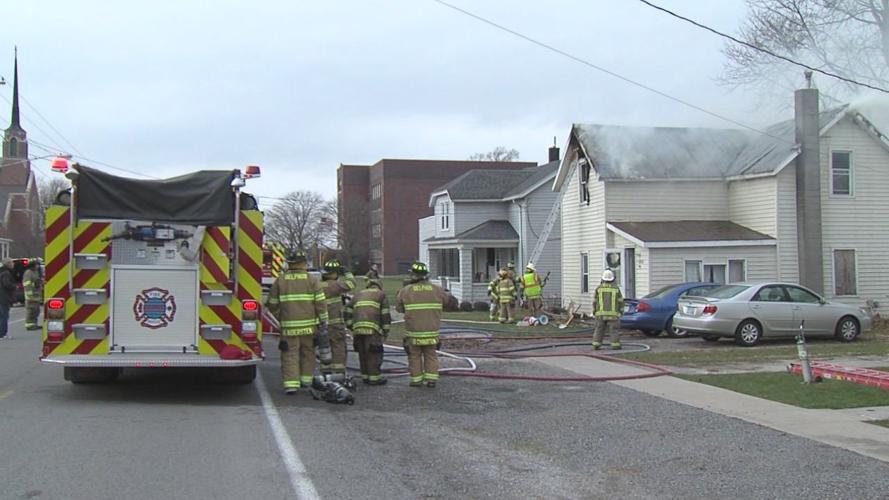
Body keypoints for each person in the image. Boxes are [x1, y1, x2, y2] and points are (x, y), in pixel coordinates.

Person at [266, 250, 328, 394]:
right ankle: (306, 381)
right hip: (309, 328)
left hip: (288, 328)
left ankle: (291, 385)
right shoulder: (312, 279)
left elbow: (272, 304)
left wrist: (280, 317)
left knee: (290, 355)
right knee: (308, 353)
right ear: (303, 263)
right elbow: (320, 303)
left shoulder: (281, 280)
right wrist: (323, 321)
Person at [395, 261, 449, 388]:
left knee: (414, 356)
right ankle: (431, 380)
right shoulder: (437, 289)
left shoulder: (405, 291)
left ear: (413, 275)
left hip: (413, 332)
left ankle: (416, 380)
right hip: (432, 331)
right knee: (431, 355)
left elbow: (399, 309)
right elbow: (447, 301)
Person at [345, 278, 391, 385]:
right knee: (374, 353)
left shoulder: (358, 294)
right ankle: (374, 378)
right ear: (379, 286)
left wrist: (350, 325)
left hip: (357, 329)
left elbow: (347, 308)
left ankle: (365, 376)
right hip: (372, 329)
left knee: (363, 353)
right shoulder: (381, 295)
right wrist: (385, 331)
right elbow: (385, 315)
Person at [320, 259, 356, 377]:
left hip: (321, 324)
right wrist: (347, 273)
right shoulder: (335, 285)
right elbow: (352, 283)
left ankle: (325, 372)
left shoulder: (317, 285)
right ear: (334, 273)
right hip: (335, 325)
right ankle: (339, 373)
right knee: (338, 347)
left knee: (325, 349)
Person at [592, 269, 624, 350]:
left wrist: (594, 311)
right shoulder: (616, 289)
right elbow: (620, 301)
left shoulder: (598, 288)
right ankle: (615, 345)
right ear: (612, 279)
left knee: (599, 329)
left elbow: (594, 301)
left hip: (600, 315)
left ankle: (596, 344)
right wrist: (621, 312)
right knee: (614, 330)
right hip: (613, 315)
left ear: (603, 278)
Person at [22, 260, 43, 330]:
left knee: (36, 310)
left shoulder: (35, 272)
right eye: (36, 265)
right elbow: (27, 284)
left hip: (36, 294)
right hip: (30, 295)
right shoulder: (28, 273)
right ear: (33, 265)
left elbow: (37, 281)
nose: (38, 266)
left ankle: (34, 324)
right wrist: (30, 295)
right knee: (31, 310)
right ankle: (29, 325)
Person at [0, 258, 16, 340]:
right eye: (12, 263)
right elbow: (6, 284)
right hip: (4, 297)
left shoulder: (1, 271)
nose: (13, 264)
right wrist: (14, 286)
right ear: (8, 264)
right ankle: (2, 334)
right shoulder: (6, 273)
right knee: (4, 316)